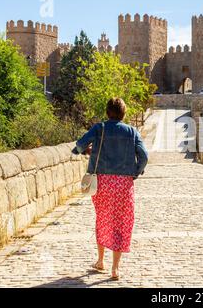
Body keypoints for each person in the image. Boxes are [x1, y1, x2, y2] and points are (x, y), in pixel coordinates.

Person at [73, 98, 149, 280]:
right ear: (124, 113)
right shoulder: (132, 131)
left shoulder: (100, 128)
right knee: (121, 223)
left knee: (103, 218)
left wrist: (84, 151)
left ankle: (100, 261)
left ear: (107, 112)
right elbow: (144, 156)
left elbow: (80, 144)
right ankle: (115, 268)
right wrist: (134, 173)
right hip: (123, 184)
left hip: (102, 182)